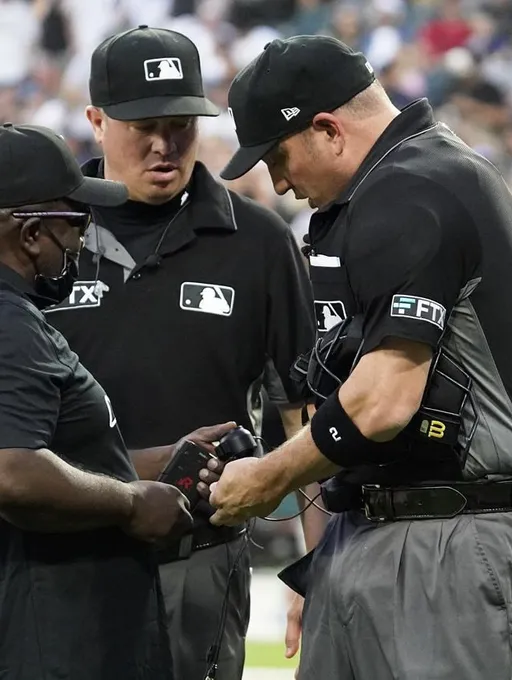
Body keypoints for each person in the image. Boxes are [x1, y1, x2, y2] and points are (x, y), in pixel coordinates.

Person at [208, 35, 512, 680]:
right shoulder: (389, 190)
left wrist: (268, 478)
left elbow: (384, 401)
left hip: (451, 539)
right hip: (383, 530)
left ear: (328, 130)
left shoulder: (416, 187)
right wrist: (325, 562)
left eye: (278, 156)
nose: (278, 182)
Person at [44, 26, 315, 680]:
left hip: (197, 556)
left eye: (180, 124)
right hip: (52, 553)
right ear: (97, 121)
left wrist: (315, 568)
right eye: (143, 125)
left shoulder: (257, 242)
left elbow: (302, 416)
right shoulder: (39, 233)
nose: (165, 145)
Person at [0, 122, 237, 679]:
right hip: (54, 641)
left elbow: (42, 454)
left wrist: (148, 465)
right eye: (77, 222)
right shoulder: (10, 327)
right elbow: (12, 472)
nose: (85, 241)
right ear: (32, 231)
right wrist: (132, 503)